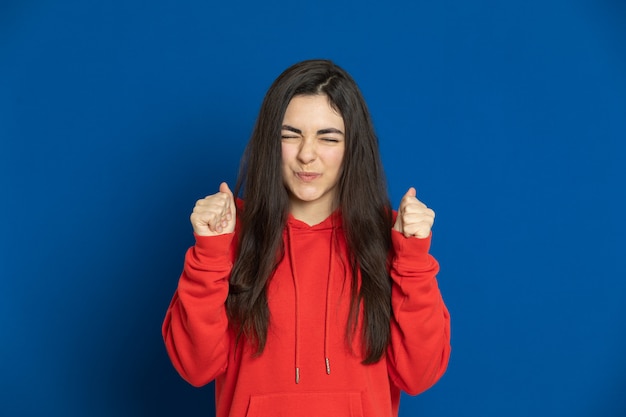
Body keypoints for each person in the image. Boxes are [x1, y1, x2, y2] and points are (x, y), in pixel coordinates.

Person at [162, 59, 451, 417]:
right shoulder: (230, 234)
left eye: (328, 137)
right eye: (290, 135)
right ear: (270, 141)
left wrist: (414, 261)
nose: (306, 154)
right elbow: (195, 366)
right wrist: (209, 254)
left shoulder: (391, 238)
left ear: (352, 147)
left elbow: (418, 375)